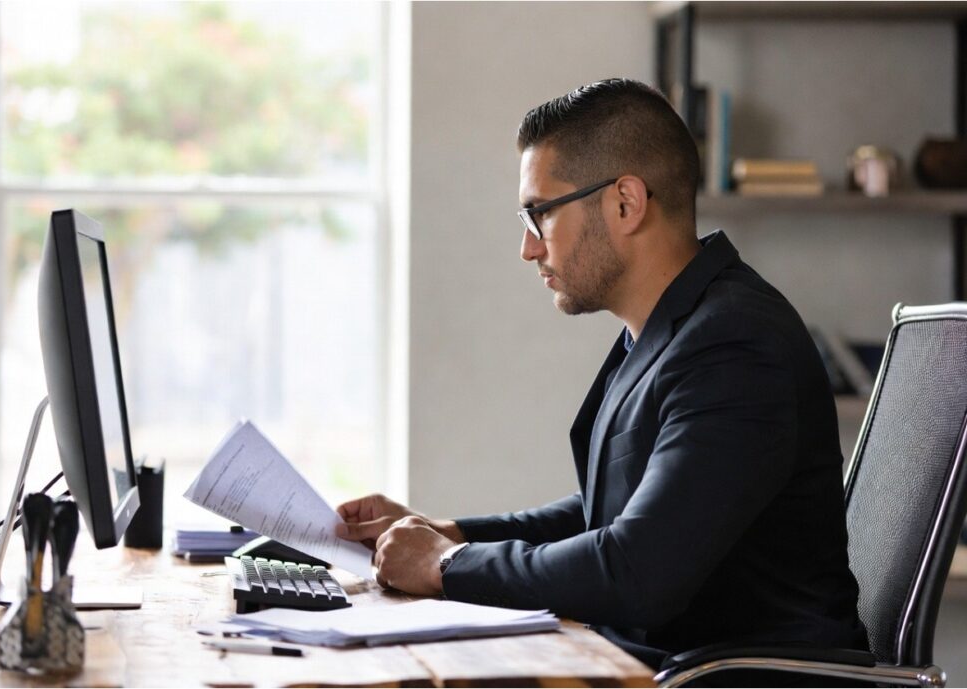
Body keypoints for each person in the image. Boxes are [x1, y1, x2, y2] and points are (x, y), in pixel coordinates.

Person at [335, 78, 868, 672]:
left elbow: (640, 568)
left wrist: (444, 567)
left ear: (625, 203)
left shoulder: (735, 345)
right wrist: (451, 534)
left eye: (539, 214)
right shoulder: (671, 326)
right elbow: (609, 513)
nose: (529, 249)